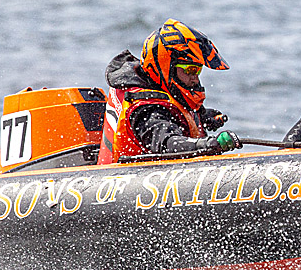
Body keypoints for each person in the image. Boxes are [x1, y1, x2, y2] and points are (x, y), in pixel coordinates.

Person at [97, 19, 242, 164]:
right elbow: (167, 144)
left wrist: (203, 118)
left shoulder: (164, 92)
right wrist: (207, 144)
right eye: (190, 70)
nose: (195, 79)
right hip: (128, 180)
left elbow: (172, 115)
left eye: (198, 70)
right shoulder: (146, 109)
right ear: (166, 67)